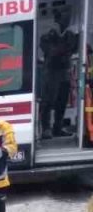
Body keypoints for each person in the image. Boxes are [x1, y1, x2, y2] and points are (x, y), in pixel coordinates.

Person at [39, 9, 78, 138]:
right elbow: (52, 51)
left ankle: (58, 127)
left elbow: (73, 48)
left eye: (68, 19)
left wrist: (68, 43)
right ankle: (46, 129)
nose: (67, 21)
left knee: (62, 101)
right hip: (51, 71)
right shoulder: (48, 35)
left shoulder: (69, 34)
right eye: (65, 19)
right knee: (48, 101)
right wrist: (62, 43)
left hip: (64, 71)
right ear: (58, 20)